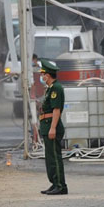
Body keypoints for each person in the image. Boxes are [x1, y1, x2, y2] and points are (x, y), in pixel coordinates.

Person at [38, 59, 67, 195]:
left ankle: (61, 186)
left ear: (47, 75)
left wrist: (53, 128)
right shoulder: (50, 88)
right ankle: (55, 183)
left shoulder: (56, 88)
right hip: (47, 126)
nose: (42, 77)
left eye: (43, 74)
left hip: (52, 126)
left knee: (55, 157)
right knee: (50, 158)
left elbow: (56, 110)